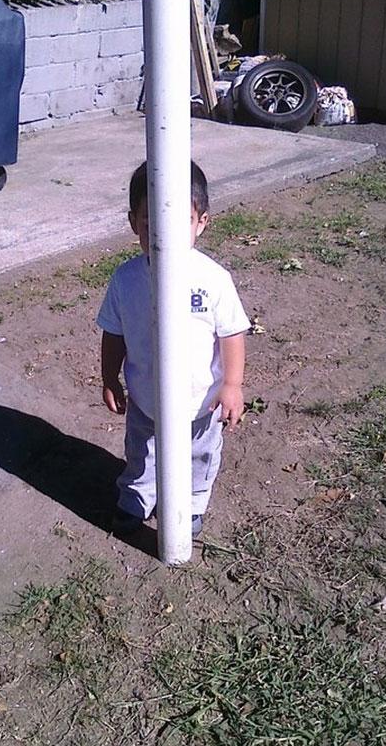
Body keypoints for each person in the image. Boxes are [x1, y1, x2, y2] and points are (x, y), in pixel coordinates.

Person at [96, 161, 250, 536]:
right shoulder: (126, 279)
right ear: (134, 223)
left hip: (202, 404)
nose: (163, 233)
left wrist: (232, 384)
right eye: (151, 223)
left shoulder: (213, 279)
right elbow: (113, 333)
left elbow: (232, 333)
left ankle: (192, 504)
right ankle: (137, 498)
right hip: (145, 399)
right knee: (142, 455)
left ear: (201, 222)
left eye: (178, 220)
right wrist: (110, 379)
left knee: (199, 458)